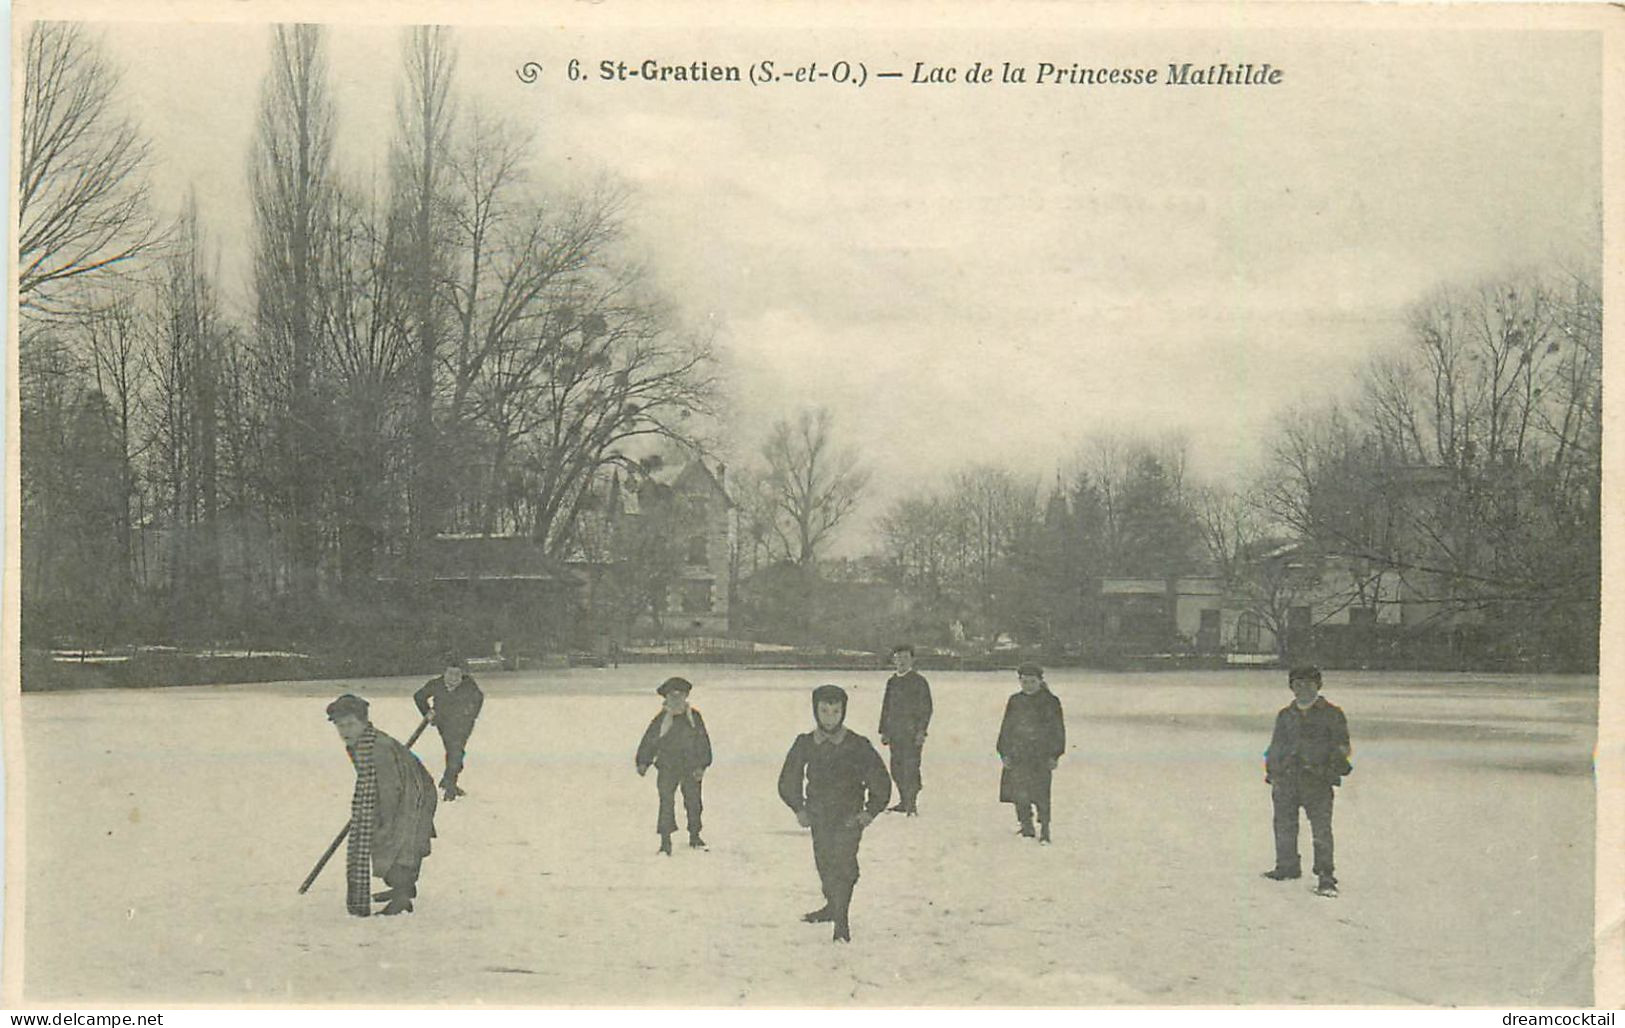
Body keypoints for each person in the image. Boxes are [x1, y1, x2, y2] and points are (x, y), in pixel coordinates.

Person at [777, 684, 892, 943]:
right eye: (825, 711)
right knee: (825, 865)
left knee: (844, 865)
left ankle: (841, 922)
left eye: (836, 711)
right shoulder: (805, 743)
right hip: (819, 816)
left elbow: (881, 782)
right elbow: (787, 780)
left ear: (844, 712)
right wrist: (799, 808)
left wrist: (869, 812)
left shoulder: (857, 745)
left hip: (849, 817)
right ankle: (832, 905)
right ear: (816, 712)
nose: (831, 717)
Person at [326, 693, 437, 916]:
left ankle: (402, 897)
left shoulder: (378, 747)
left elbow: (390, 787)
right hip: (401, 791)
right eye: (340, 726)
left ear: (364, 722)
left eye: (350, 724)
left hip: (412, 796)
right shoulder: (361, 742)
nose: (344, 731)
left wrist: (386, 820)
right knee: (388, 841)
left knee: (399, 842)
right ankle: (402, 888)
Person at [1263, 665, 1352, 898]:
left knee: (1321, 829)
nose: (1303, 689)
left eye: (1309, 684)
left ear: (1318, 686)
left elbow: (1342, 746)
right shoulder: (1285, 715)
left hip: (1317, 781)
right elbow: (1276, 745)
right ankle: (1287, 865)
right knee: (1284, 824)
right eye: (1297, 684)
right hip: (1287, 779)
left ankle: (1325, 874)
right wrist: (1273, 770)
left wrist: (1327, 767)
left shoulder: (1332, 714)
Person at [635, 676, 713, 855]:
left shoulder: (694, 718)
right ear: (666, 698)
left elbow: (703, 742)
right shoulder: (661, 720)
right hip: (667, 767)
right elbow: (649, 741)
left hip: (691, 767)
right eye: (672, 696)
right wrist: (643, 762)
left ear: (686, 697)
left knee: (693, 802)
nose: (676, 700)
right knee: (666, 802)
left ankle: (695, 835)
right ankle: (665, 840)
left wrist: (702, 765)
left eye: (680, 696)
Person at [997, 662, 1066, 844]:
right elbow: (1007, 727)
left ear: (1040, 681)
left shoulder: (1050, 702)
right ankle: (1026, 825)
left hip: (1041, 756)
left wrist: (1055, 754)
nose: (1028, 685)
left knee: (1041, 792)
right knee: (1019, 791)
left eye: (1032, 682)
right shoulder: (1015, 701)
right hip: (1018, 753)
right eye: (1024, 682)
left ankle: (1045, 829)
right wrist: (1004, 752)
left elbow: (1058, 730)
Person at [413, 653, 485, 802]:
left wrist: (471, 714)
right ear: (444, 673)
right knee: (455, 752)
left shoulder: (469, 684)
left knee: (456, 752)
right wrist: (428, 712)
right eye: (450, 673)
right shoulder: (436, 684)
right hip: (444, 724)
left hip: (463, 724)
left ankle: (448, 780)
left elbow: (479, 698)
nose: (453, 677)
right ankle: (450, 785)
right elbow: (419, 696)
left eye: (457, 674)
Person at [878, 643, 933, 816]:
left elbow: (926, 708)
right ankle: (903, 800)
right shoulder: (892, 681)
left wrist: (921, 731)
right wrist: (884, 730)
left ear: (912, 660)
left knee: (911, 768)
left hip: (912, 734)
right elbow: (886, 707)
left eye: (905, 658)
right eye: (898, 658)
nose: (902, 661)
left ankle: (911, 803)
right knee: (896, 768)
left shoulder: (919, 682)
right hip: (895, 733)